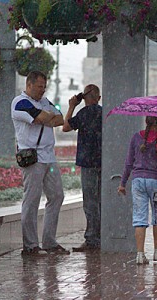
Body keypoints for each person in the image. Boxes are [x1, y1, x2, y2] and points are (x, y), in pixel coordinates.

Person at [11, 70, 70, 256]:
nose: (42, 90)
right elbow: (43, 118)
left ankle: (49, 242)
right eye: (39, 87)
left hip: (49, 157)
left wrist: (47, 117)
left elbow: (59, 119)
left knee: (57, 196)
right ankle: (30, 245)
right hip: (33, 158)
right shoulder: (20, 103)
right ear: (29, 85)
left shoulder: (45, 102)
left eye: (44, 87)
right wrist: (47, 117)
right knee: (32, 200)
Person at [117, 116, 157, 265]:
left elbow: (128, 162)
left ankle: (140, 254)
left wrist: (122, 183)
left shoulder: (135, 137)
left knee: (140, 218)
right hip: (156, 181)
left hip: (137, 181)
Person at [62, 84, 102, 251]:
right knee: (101, 201)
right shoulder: (103, 113)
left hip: (88, 163)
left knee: (90, 203)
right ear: (98, 98)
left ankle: (92, 239)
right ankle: (102, 236)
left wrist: (71, 106)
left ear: (84, 98)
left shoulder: (83, 113)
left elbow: (65, 127)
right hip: (103, 162)